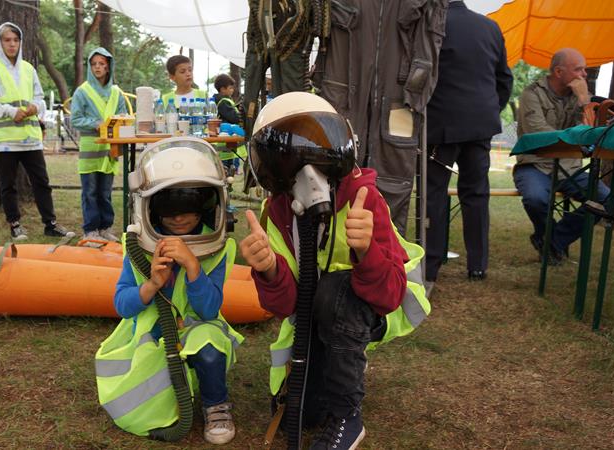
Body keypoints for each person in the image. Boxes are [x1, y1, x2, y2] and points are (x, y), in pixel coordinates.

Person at [240, 92, 428, 449]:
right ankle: (337, 365)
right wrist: (269, 271)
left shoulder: (363, 198)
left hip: (376, 304)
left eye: (316, 155)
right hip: (318, 313)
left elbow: (388, 295)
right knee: (303, 416)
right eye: (290, 159)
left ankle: (347, 418)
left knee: (333, 293)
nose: (308, 174)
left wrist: (366, 250)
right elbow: (287, 304)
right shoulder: (278, 214)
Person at [95, 138, 242, 445]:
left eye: (188, 205)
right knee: (142, 398)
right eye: (167, 206)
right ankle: (176, 385)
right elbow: (122, 305)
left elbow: (208, 310)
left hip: (197, 329)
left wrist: (193, 270)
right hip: (153, 335)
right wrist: (151, 285)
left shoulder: (216, 250)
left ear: (207, 203)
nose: (178, 217)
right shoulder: (137, 248)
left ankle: (215, 404)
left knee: (210, 345)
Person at [424, 0, 513, 282]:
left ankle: (432, 263)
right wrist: (486, 111)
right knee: (476, 194)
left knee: (434, 194)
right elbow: (504, 80)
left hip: (442, 124)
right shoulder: (490, 27)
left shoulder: (431, 26)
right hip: (480, 124)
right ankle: (477, 265)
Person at [0, 22, 74, 240]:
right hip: (4, 139)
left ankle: (50, 224)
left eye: (15, 40)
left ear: (20, 42)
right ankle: (15, 225)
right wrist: (12, 112)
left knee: (42, 182)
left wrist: (35, 107)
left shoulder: (28, 69)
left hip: (30, 138)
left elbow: (40, 99)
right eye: (7, 40)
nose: (12, 44)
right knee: (8, 185)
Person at [513, 48, 610, 264]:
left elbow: (590, 134)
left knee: (607, 199)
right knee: (535, 199)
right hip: (535, 164)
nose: (584, 74)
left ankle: (551, 241)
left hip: (571, 168)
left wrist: (585, 100)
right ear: (558, 72)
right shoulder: (532, 93)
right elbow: (540, 134)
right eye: (579, 69)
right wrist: (576, 135)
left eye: (584, 70)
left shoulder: (580, 97)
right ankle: (551, 243)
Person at [70, 47, 127, 244]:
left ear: (109, 66)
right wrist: (96, 124)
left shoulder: (116, 92)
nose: (98, 67)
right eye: (94, 64)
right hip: (90, 149)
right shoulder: (82, 92)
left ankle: (105, 228)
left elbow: (123, 116)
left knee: (105, 192)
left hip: (109, 150)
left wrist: (117, 125)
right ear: (89, 66)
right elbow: (76, 119)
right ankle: (90, 230)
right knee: (90, 191)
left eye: (102, 64)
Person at [212, 73, 246, 176]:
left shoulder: (225, 101)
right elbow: (234, 118)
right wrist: (241, 115)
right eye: (230, 88)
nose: (232, 90)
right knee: (226, 168)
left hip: (228, 139)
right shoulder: (223, 102)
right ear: (222, 89)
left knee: (230, 166)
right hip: (225, 139)